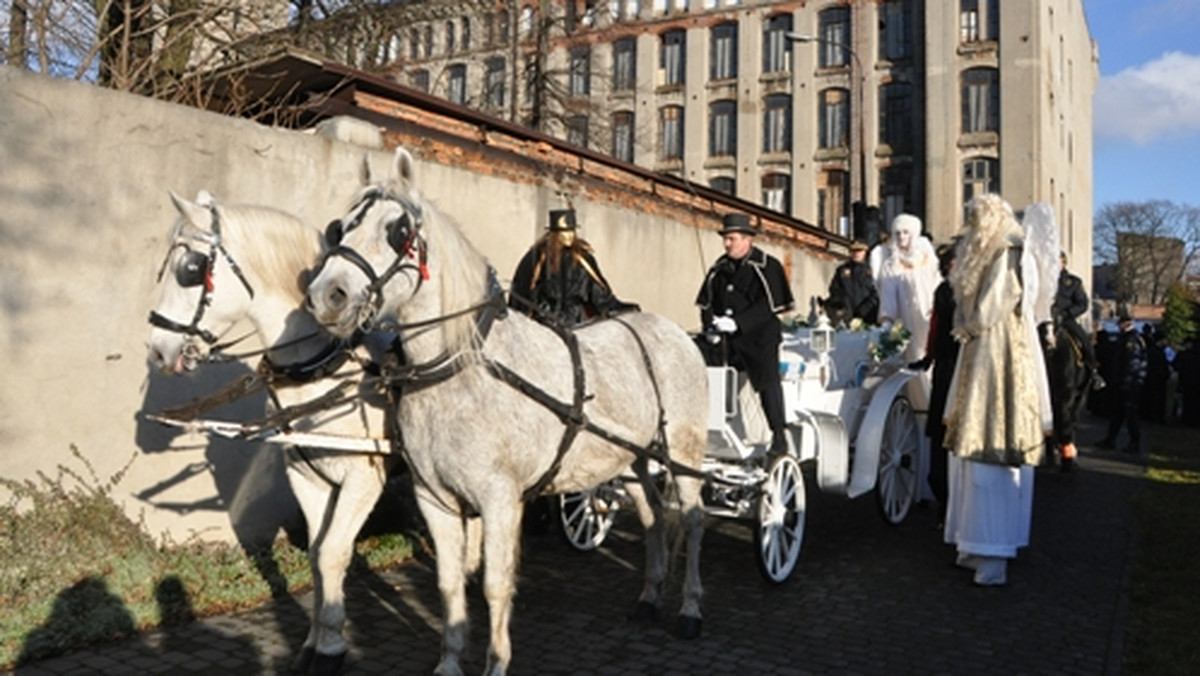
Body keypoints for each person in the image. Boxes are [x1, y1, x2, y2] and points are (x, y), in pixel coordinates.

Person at [942, 194, 1050, 587]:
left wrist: (969, 326)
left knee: (991, 444)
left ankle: (994, 551)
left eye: (976, 221)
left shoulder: (1008, 251)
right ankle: (972, 543)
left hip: (998, 353)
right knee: (973, 456)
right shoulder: (987, 252)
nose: (971, 230)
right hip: (979, 351)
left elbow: (997, 302)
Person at [696, 213, 795, 456]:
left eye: (732, 238)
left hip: (758, 336)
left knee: (767, 376)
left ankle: (779, 434)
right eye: (725, 239)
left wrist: (738, 323)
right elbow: (706, 304)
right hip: (724, 340)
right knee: (693, 357)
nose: (726, 244)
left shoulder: (767, 266)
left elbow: (769, 307)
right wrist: (711, 327)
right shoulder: (719, 268)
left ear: (748, 239)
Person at [509, 208, 636, 325]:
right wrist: (541, 312)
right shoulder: (537, 257)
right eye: (564, 232)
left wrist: (616, 307)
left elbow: (598, 291)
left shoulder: (583, 258)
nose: (569, 235)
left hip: (578, 320)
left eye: (572, 231)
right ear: (554, 234)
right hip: (546, 319)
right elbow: (523, 290)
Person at [908, 242, 959, 525]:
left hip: (966, 364)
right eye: (948, 263)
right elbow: (937, 329)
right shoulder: (943, 290)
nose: (950, 267)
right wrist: (929, 357)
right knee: (940, 430)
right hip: (945, 366)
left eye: (953, 262)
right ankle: (942, 497)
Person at [873, 213, 941, 364]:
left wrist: (937, 307)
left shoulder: (928, 258)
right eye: (897, 233)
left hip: (928, 314)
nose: (901, 237)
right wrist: (887, 322)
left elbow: (937, 282)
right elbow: (888, 295)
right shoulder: (891, 265)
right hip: (906, 318)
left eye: (905, 232)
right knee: (912, 358)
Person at [1097, 312, 1147, 454]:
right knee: (1117, 413)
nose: (1118, 327)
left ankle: (1134, 442)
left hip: (1130, 383)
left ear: (1126, 324)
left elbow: (1133, 363)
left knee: (1131, 414)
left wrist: (1127, 381)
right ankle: (1110, 439)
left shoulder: (1132, 340)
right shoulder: (1126, 338)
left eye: (1120, 324)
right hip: (1123, 381)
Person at [1054, 252, 1102, 387]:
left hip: (1065, 319)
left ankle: (1093, 372)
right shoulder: (1043, 280)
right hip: (1046, 319)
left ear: (1063, 264)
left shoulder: (1073, 282)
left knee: (1084, 340)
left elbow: (1082, 304)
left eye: (1057, 261)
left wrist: (1067, 313)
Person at [826, 240, 879, 326]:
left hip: (868, 317)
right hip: (846, 317)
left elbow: (877, 292)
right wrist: (843, 303)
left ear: (865, 252)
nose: (856, 254)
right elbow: (834, 289)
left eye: (859, 251)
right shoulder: (842, 270)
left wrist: (865, 308)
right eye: (853, 251)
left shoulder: (874, 270)